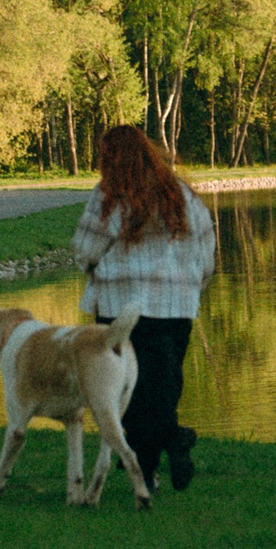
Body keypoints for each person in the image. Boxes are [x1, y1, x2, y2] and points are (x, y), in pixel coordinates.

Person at [75, 125, 217, 492]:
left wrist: (94, 270)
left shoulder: (109, 196)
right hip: (176, 308)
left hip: (122, 306)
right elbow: (206, 251)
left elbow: (86, 249)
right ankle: (163, 452)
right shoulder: (182, 195)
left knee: (129, 392)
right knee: (164, 389)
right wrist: (192, 286)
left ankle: (161, 453)